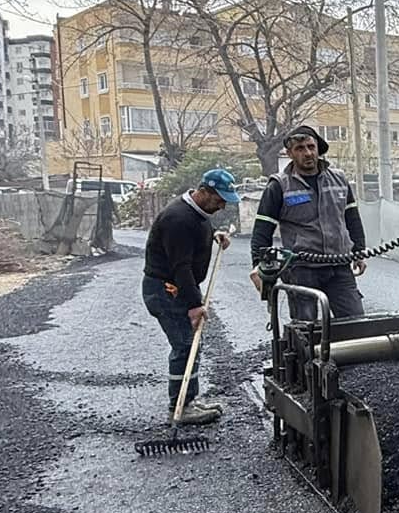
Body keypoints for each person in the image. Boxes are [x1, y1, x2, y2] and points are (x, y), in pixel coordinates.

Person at [142, 168, 241, 425]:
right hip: (166, 291)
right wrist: (195, 305)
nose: (221, 205)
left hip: (174, 288)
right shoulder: (178, 219)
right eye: (219, 199)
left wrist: (212, 236)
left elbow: (195, 235)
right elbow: (181, 266)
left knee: (191, 344)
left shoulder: (197, 213)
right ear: (204, 191)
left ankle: (189, 400)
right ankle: (180, 407)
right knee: (185, 345)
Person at [250, 123, 367, 321]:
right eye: (300, 149)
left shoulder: (339, 179)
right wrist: (259, 264)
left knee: (355, 321)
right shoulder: (279, 185)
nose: (307, 153)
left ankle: (342, 352)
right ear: (290, 153)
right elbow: (263, 228)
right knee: (306, 329)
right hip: (301, 269)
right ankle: (308, 353)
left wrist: (359, 250)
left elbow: (351, 218)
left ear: (318, 149)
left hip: (339, 265)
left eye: (311, 147)